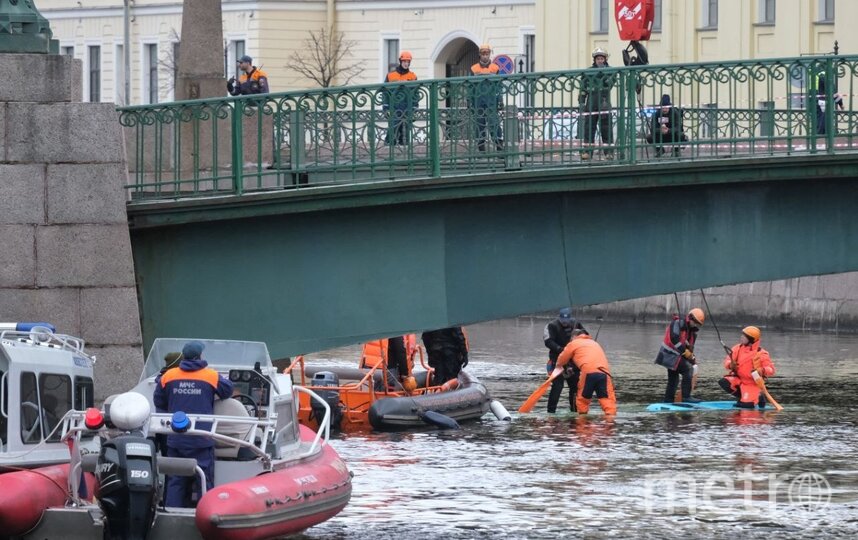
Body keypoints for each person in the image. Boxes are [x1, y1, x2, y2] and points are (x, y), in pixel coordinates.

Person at [153, 340, 233, 508]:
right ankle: (207, 513)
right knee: (204, 480)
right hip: (201, 439)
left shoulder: (169, 376)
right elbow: (228, 391)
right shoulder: (210, 375)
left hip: (176, 438)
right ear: (200, 356)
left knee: (175, 481)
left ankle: (172, 517)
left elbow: (158, 401)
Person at [556, 329, 617, 415]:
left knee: (583, 400)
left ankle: (582, 423)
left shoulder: (573, 343)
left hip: (588, 372)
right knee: (607, 400)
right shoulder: (594, 343)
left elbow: (562, 359)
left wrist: (557, 366)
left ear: (574, 337)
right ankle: (610, 422)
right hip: (604, 373)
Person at [654, 308, 705, 403]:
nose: (696, 325)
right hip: (669, 356)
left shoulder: (691, 332)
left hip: (674, 357)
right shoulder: (677, 323)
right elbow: (674, 339)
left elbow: (689, 350)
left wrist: (692, 358)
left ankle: (668, 401)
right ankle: (686, 397)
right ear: (691, 318)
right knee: (688, 369)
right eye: (696, 322)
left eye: (698, 324)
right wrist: (685, 352)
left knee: (673, 379)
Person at [718, 326, 776, 409]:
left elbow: (771, 370)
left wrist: (761, 370)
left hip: (752, 384)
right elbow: (726, 362)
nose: (741, 337)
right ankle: (744, 396)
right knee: (724, 382)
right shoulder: (737, 348)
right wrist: (731, 365)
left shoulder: (761, 353)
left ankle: (758, 396)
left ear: (751, 339)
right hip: (739, 380)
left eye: (744, 336)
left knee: (746, 406)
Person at [544, 307, 587, 413]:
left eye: (567, 321)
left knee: (575, 386)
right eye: (563, 321)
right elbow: (548, 342)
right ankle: (551, 411)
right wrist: (561, 349)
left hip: (573, 362)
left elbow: (585, 335)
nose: (565, 323)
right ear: (559, 318)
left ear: (570, 319)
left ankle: (574, 410)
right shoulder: (551, 326)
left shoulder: (576, 324)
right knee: (558, 387)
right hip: (557, 362)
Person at [579, 48, 616, 161]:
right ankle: (587, 152)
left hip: (604, 102)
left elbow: (611, 82)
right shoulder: (588, 71)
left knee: (606, 128)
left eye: (602, 58)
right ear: (594, 60)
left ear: (605, 59)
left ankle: (609, 152)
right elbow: (583, 87)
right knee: (589, 128)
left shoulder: (610, 71)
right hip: (591, 102)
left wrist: (606, 78)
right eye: (598, 58)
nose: (600, 61)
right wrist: (581, 100)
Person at [469, 43, 504, 153]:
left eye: (487, 53)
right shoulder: (474, 69)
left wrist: (500, 100)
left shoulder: (495, 68)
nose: (485, 56)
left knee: (494, 123)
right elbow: (470, 86)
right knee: (479, 124)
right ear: (480, 54)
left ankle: (499, 145)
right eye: (483, 53)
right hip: (478, 101)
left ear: (490, 54)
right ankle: (481, 147)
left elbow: (499, 86)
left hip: (491, 101)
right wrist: (469, 101)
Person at [383, 51, 419, 146]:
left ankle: (405, 156)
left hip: (408, 108)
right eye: (404, 61)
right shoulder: (390, 76)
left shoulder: (413, 76)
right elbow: (385, 93)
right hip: (394, 108)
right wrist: (385, 107)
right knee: (392, 134)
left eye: (408, 61)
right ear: (400, 61)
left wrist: (415, 108)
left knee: (406, 136)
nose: (406, 63)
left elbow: (416, 94)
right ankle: (389, 154)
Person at [813, 66, 844, 135]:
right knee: (824, 121)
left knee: (820, 119)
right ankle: (822, 135)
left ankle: (819, 134)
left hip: (819, 101)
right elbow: (834, 93)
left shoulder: (817, 75)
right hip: (825, 102)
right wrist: (841, 104)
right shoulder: (827, 78)